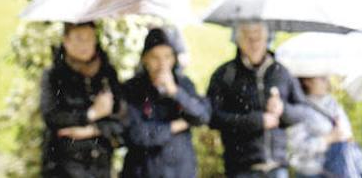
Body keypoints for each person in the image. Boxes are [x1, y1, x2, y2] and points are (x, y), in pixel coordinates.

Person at [207, 21, 306, 177]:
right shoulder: (225, 74)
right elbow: (212, 117)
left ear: (267, 39)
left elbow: (302, 112)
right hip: (241, 167)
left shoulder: (281, 71)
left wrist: (282, 110)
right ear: (238, 40)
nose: (254, 43)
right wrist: (256, 121)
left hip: (277, 166)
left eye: (258, 37)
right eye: (248, 38)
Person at [120, 27, 211, 178]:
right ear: (145, 59)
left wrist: (175, 92)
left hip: (179, 170)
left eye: (167, 57)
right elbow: (137, 134)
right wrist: (177, 125)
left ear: (174, 58)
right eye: (155, 57)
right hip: (143, 169)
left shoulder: (183, 84)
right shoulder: (132, 88)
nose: (162, 64)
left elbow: (203, 116)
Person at [41, 22, 126, 177]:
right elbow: (52, 116)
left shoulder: (107, 73)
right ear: (66, 41)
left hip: (99, 165)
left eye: (89, 38)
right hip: (64, 165)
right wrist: (90, 114)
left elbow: (121, 118)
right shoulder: (54, 75)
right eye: (79, 38)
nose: (85, 44)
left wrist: (91, 130)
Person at [286, 75, 362, 178]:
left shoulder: (332, 103)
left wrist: (342, 134)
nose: (327, 82)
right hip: (309, 171)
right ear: (307, 81)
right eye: (322, 78)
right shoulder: (299, 107)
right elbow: (297, 148)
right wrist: (327, 139)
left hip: (337, 169)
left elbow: (346, 132)